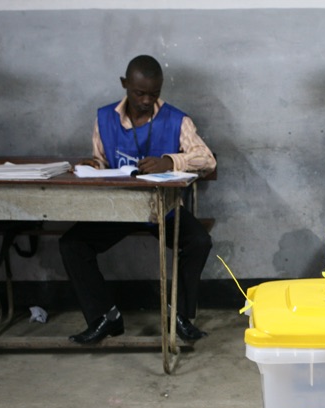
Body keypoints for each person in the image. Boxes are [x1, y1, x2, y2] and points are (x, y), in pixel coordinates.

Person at [59, 55, 216, 344]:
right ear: (125, 84)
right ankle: (105, 317)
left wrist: (170, 161)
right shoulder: (105, 118)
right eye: (139, 93)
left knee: (199, 241)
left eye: (154, 94)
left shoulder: (177, 119)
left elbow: (207, 159)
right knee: (72, 245)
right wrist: (93, 166)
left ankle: (178, 315)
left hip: (164, 210)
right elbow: (102, 162)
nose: (146, 100)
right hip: (118, 210)